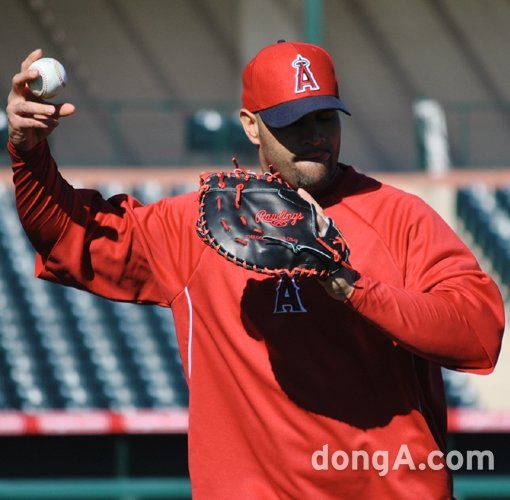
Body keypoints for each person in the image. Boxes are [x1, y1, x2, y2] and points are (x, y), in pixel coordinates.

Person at [6, 41, 505, 499]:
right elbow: (70, 236)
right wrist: (29, 153)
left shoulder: (399, 216)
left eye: (324, 120)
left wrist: (351, 285)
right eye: (293, 123)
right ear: (251, 125)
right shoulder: (198, 223)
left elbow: (479, 338)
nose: (314, 137)